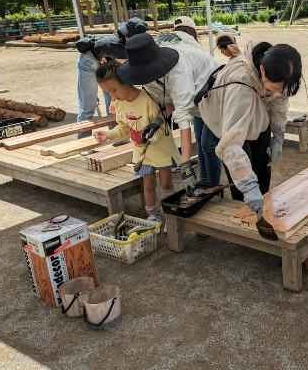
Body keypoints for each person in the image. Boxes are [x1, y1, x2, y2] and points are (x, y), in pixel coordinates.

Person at [198, 41, 302, 241]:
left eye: (284, 87)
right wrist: (247, 184)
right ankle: (245, 224)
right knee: (243, 184)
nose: (280, 91)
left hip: (257, 117)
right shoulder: (241, 82)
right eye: (277, 86)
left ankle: (263, 215)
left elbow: (279, 103)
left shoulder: (279, 72)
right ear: (262, 70)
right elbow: (231, 143)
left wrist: (278, 137)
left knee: (262, 169)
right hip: (228, 124)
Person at [117, 33, 223, 191]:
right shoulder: (149, 73)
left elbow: (183, 117)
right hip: (197, 102)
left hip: (218, 99)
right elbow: (169, 100)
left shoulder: (179, 71)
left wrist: (185, 164)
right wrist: (157, 121)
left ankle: (226, 191)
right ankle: (209, 186)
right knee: (204, 144)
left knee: (215, 146)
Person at [94, 59, 180, 222]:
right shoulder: (120, 105)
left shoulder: (148, 98)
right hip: (142, 152)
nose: (113, 96)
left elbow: (161, 125)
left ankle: (173, 215)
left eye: (114, 90)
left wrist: (154, 136)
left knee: (166, 183)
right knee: (148, 185)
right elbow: (124, 127)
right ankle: (153, 216)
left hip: (161, 148)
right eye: (108, 93)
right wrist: (109, 135)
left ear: (125, 81)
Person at [76, 17, 148, 138]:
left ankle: (115, 136)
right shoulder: (117, 45)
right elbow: (128, 65)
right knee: (88, 106)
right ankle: (82, 140)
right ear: (126, 35)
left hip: (106, 64)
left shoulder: (127, 43)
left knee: (114, 103)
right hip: (88, 65)